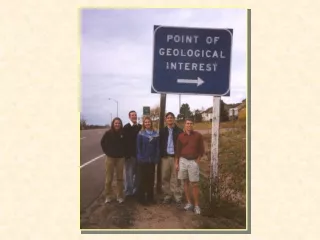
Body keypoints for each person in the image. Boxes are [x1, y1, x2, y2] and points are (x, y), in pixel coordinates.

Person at [175, 118, 205, 215]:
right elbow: (177, 151)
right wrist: (177, 163)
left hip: (193, 161)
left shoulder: (198, 136)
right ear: (185, 125)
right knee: (185, 182)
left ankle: (196, 205)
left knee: (194, 183)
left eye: (191, 124)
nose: (189, 125)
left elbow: (201, 150)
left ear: (193, 125)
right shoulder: (180, 136)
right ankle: (189, 203)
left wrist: (197, 161)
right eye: (187, 124)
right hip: (183, 160)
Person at [159, 112, 184, 204]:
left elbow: (182, 145)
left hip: (176, 157)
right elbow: (160, 144)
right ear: (166, 120)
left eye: (171, 118)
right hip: (165, 157)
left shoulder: (179, 131)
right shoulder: (162, 131)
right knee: (165, 177)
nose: (169, 119)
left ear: (174, 119)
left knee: (177, 177)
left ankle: (177, 196)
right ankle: (167, 195)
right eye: (168, 118)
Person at [100, 117, 125, 204]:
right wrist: (107, 152)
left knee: (120, 178)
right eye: (116, 123)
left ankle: (120, 196)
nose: (117, 124)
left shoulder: (123, 133)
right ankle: (108, 196)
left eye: (119, 123)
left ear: (121, 124)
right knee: (108, 178)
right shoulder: (108, 133)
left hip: (120, 158)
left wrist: (123, 152)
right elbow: (102, 142)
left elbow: (126, 144)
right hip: (110, 158)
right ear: (113, 124)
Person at [136, 116, 160, 205]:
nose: (147, 123)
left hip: (152, 160)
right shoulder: (141, 133)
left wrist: (156, 157)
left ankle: (150, 197)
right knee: (142, 180)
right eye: (145, 122)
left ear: (151, 123)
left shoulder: (156, 133)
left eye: (149, 122)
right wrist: (140, 158)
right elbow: (138, 147)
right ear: (144, 123)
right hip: (143, 160)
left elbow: (157, 147)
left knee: (151, 179)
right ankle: (141, 198)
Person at [123, 110, 142, 199]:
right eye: (132, 115)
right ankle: (128, 192)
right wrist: (126, 155)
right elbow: (124, 142)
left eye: (135, 115)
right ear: (129, 117)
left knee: (137, 175)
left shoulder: (140, 127)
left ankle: (135, 191)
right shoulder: (126, 127)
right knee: (129, 175)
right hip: (130, 156)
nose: (134, 116)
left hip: (139, 155)